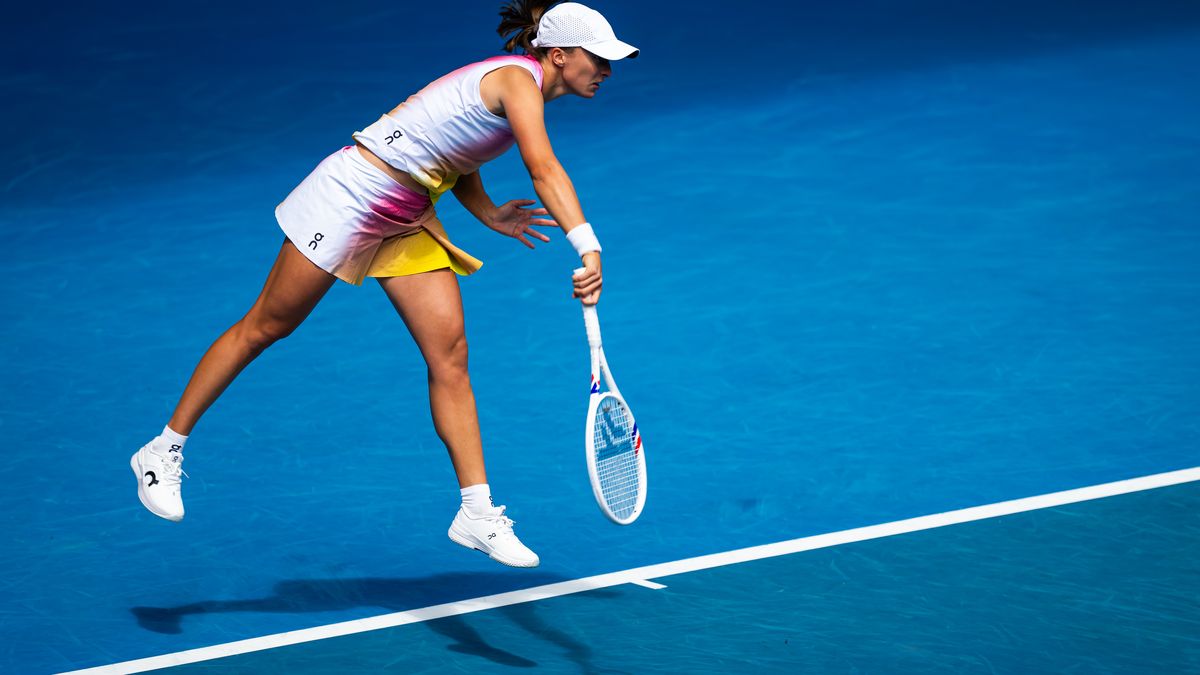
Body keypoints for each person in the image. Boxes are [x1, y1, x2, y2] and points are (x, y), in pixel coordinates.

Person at [129, 1, 638, 568]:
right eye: (600, 59)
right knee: (267, 327)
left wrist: (488, 213)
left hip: (408, 210)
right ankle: (161, 450)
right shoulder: (519, 81)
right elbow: (542, 167)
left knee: (449, 356)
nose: (608, 71)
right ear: (560, 55)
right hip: (352, 195)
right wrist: (586, 244)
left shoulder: (519, 89)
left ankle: (476, 511)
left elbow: (458, 150)